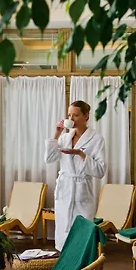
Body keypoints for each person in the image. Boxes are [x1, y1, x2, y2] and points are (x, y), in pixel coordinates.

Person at [44, 100, 106, 252]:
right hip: (65, 189)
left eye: (76, 115)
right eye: (69, 115)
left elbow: (100, 171)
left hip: (82, 191)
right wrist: (57, 133)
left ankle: (83, 263)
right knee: (63, 231)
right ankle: (65, 261)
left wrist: (80, 154)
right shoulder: (65, 138)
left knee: (82, 231)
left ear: (86, 117)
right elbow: (49, 159)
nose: (71, 119)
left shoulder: (96, 139)